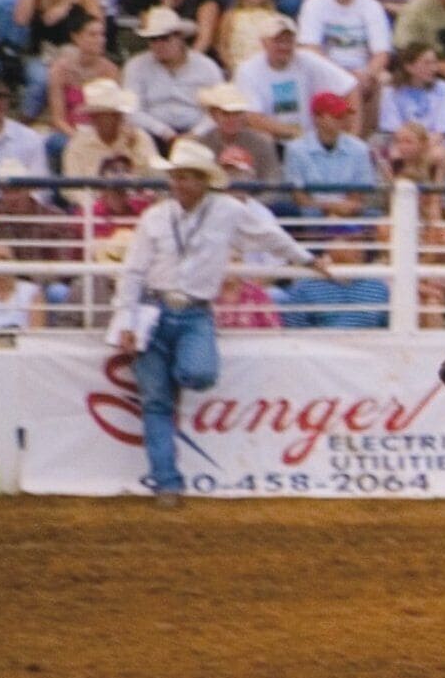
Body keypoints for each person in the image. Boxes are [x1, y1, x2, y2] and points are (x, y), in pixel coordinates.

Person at [109, 140, 335, 503]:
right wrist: (126, 320)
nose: (179, 184)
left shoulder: (227, 211)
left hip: (194, 310)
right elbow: (134, 271)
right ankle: (167, 483)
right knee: (156, 403)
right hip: (152, 309)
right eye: (176, 177)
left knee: (198, 374)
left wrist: (307, 259)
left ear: (203, 181)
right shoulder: (156, 216)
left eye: (186, 177)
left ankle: (173, 385)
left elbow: (269, 236)